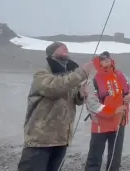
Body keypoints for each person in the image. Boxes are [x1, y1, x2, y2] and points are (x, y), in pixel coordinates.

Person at [17, 41, 95, 171]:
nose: (65, 47)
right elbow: (54, 88)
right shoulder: (41, 74)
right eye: (60, 47)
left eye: (66, 47)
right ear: (51, 54)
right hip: (40, 138)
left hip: (62, 139)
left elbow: (75, 99)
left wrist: (80, 95)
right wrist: (81, 72)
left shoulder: (69, 75)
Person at [84, 51, 130, 171]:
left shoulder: (120, 75)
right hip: (100, 125)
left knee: (115, 157)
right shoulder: (93, 78)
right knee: (95, 157)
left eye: (108, 58)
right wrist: (114, 110)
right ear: (98, 62)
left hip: (119, 123)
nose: (106, 61)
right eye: (103, 59)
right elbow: (92, 104)